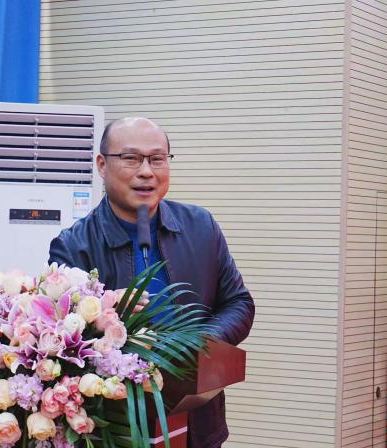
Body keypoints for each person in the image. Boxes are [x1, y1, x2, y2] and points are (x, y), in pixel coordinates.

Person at [48, 117, 254, 447]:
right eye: (131, 158)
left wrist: (199, 345)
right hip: (115, 428)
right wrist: (106, 314)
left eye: (157, 159)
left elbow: (238, 303)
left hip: (197, 423)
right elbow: (65, 343)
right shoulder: (73, 246)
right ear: (102, 165)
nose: (146, 171)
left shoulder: (201, 226)